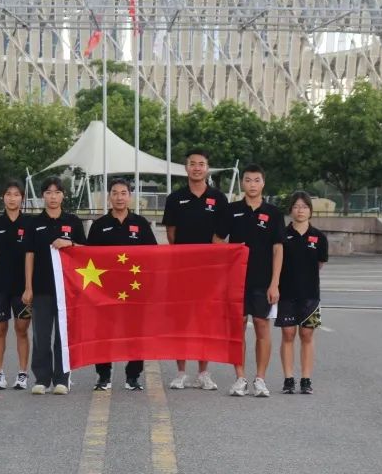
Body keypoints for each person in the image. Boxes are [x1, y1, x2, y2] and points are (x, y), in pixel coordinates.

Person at [161, 148, 231, 391]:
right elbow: (171, 234)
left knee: (205, 321)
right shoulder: (175, 198)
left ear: (207, 168)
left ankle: (203, 372)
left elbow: (221, 235)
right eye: (193, 163)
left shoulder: (219, 198)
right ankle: (181, 372)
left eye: (201, 164)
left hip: (209, 271)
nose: (197, 168)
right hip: (181, 269)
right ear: (186, 167)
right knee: (181, 321)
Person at [87, 178, 158, 392]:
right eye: (115, 193)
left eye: (123, 193)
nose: (119, 197)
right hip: (105, 290)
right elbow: (87, 258)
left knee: (135, 333)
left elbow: (153, 255)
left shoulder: (141, 224)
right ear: (109, 197)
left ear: (130, 196)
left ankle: (133, 376)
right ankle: (103, 376)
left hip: (135, 289)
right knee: (103, 333)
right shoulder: (99, 225)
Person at [22, 176, 86, 395]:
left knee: (63, 336)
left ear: (63, 195)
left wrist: (70, 243)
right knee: (41, 335)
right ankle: (42, 378)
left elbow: (85, 251)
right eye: (48, 192)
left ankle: (62, 378)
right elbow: (29, 255)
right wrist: (28, 287)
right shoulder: (34, 223)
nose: (53, 197)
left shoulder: (73, 221)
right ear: (43, 196)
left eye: (57, 192)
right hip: (41, 288)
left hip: (67, 290)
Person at [224, 164, 283, 398]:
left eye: (257, 180)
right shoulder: (232, 210)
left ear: (263, 183)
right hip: (236, 281)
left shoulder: (273, 213)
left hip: (263, 281)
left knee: (261, 326)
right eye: (248, 180)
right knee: (237, 328)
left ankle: (260, 379)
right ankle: (240, 378)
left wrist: (275, 283)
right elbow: (217, 239)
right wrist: (227, 255)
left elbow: (278, 249)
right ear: (242, 183)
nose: (252, 184)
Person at [277, 191, 328, 395]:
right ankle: (288, 378)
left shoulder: (319, 237)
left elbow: (320, 263)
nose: (300, 210)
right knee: (288, 334)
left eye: (305, 207)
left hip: (310, 294)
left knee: (307, 334)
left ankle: (306, 379)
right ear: (290, 210)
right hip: (286, 293)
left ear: (310, 211)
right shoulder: (282, 235)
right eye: (296, 207)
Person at [0, 181, 31, 391]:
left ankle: (22, 374)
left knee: (22, 329)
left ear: (22, 198)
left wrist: (29, 286)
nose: (12, 198)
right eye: (8, 194)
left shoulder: (29, 224)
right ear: (3, 197)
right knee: (0, 329)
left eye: (16, 194)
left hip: (23, 287)